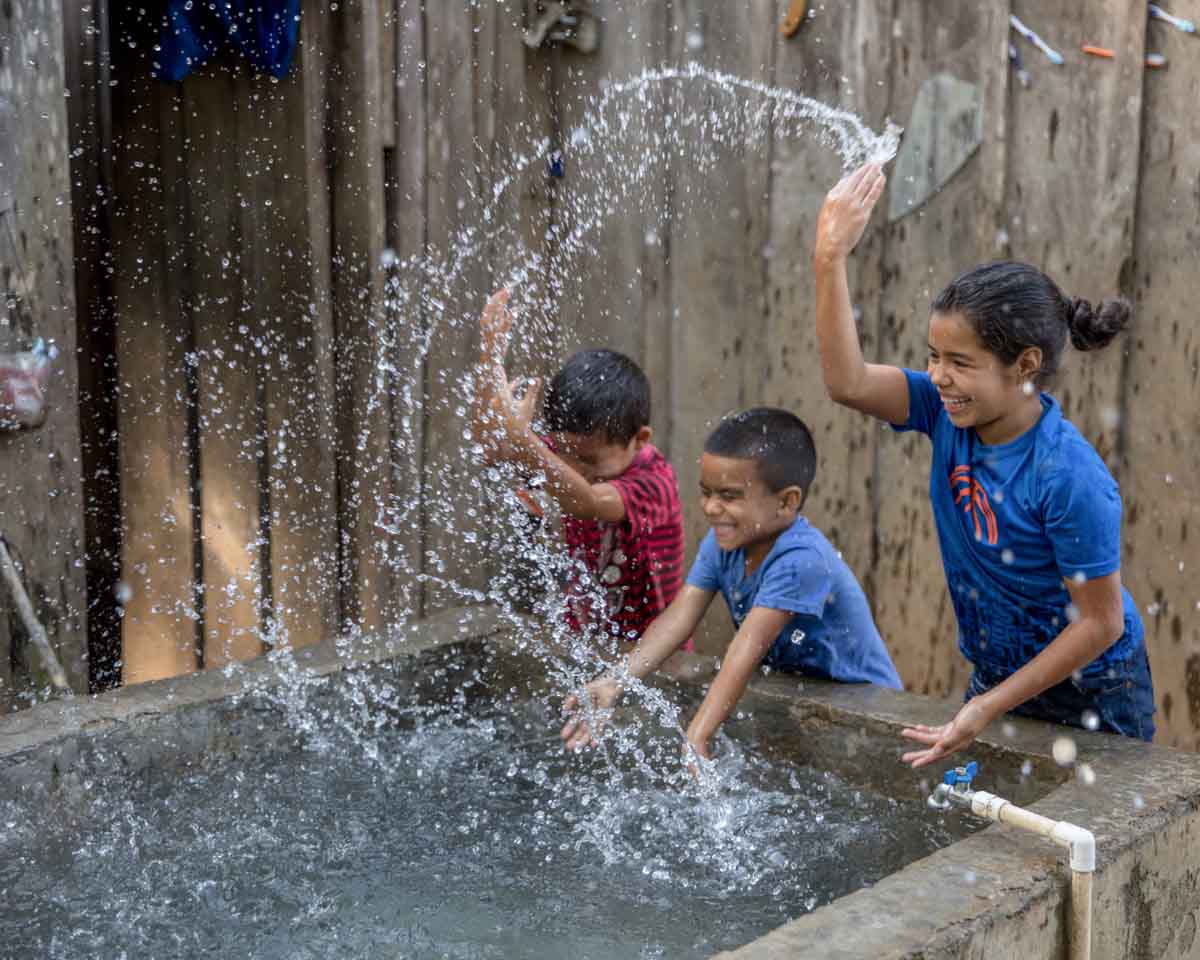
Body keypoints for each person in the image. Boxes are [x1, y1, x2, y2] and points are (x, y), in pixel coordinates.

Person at [812, 163, 1156, 768]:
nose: (939, 376)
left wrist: (987, 706)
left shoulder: (1067, 477)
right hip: (1000, 675)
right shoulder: (944, 412)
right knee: (977, 826)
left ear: (1025, 363)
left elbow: (1099, 626)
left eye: (960, 362)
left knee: (1091, 848)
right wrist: (829, 258)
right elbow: (848, 382)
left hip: (1096, 692)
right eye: (933, 357)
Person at [560, 407, 902, 760]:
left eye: (729, 496)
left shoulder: (802, 560)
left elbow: (745, 648)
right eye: (706, 492)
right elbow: (680, 615)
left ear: (786, 502)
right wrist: (616, 680)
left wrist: (698, 733)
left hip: (865, 706)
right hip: (803, 692)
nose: (710, 508)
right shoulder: (725, 543)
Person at [472, 289, 685, 652]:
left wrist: (523, 442)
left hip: (652, 653)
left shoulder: (653, 481)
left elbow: (586, 502)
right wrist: (489, 358)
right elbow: (489, 449)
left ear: (640, 439)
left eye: (588, 463)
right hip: (584, 638)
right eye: (564, 454)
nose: (572, 469)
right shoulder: (570, 448)